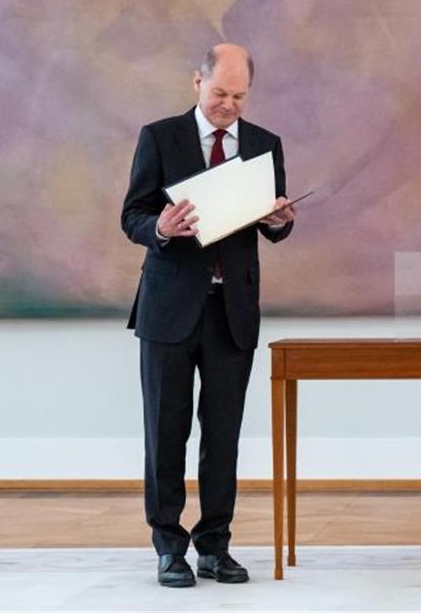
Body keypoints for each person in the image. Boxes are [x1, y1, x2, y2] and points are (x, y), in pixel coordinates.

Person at [121, 43, 295, 587]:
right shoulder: (160, 137)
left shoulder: (265, 144)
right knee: (165, 431)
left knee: (224, 435)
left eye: (239, 96)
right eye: (220, 93)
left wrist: (279, 220)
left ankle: (215, 545)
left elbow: (273, 223)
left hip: (232, 312)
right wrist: (160, 229)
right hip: (169, 309)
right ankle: (169, 547)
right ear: (197, 81)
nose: (228, 105)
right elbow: (133, 214)